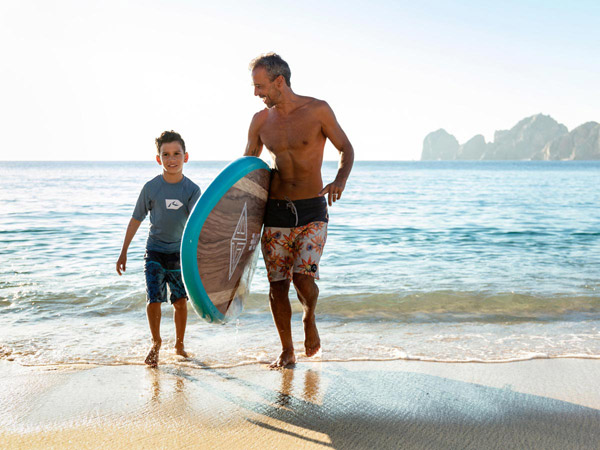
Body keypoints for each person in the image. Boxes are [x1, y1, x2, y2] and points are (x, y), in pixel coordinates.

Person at [244, 53, 354, 368]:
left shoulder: (318, 110)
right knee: (277, 284)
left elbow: (345, 147)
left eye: (260, 86)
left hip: (312, 210)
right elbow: (246, 172)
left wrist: (340, 179)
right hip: (275, 212)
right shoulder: (261, 121)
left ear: (280, 81)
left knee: (303, 278)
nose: (256, 93)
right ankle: (287, 351)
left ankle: (309, 315)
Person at [116, 130, 200, 367]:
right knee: (154, 298)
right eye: (166, 154)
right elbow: (135, 219)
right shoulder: (151, 188)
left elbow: (199, 223)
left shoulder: (192, 190)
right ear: (158, 158)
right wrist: (123, 252)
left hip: (179, 254)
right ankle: (156, 342)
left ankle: (180, 344)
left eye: (176, 154)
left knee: (180, 301)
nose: (171, 159)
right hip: (154, 251)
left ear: (186, 157)